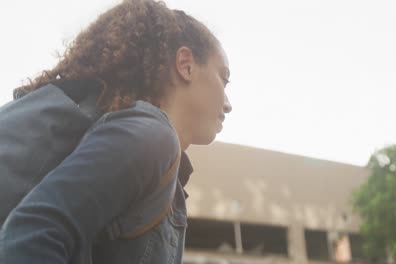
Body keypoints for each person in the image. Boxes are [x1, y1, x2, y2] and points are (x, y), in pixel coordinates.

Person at [0, 0, 232, 263]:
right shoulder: (152, 137)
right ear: (186, 64)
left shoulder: (155, 152)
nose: (228, 103)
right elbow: (32, 233)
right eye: (223, 79)